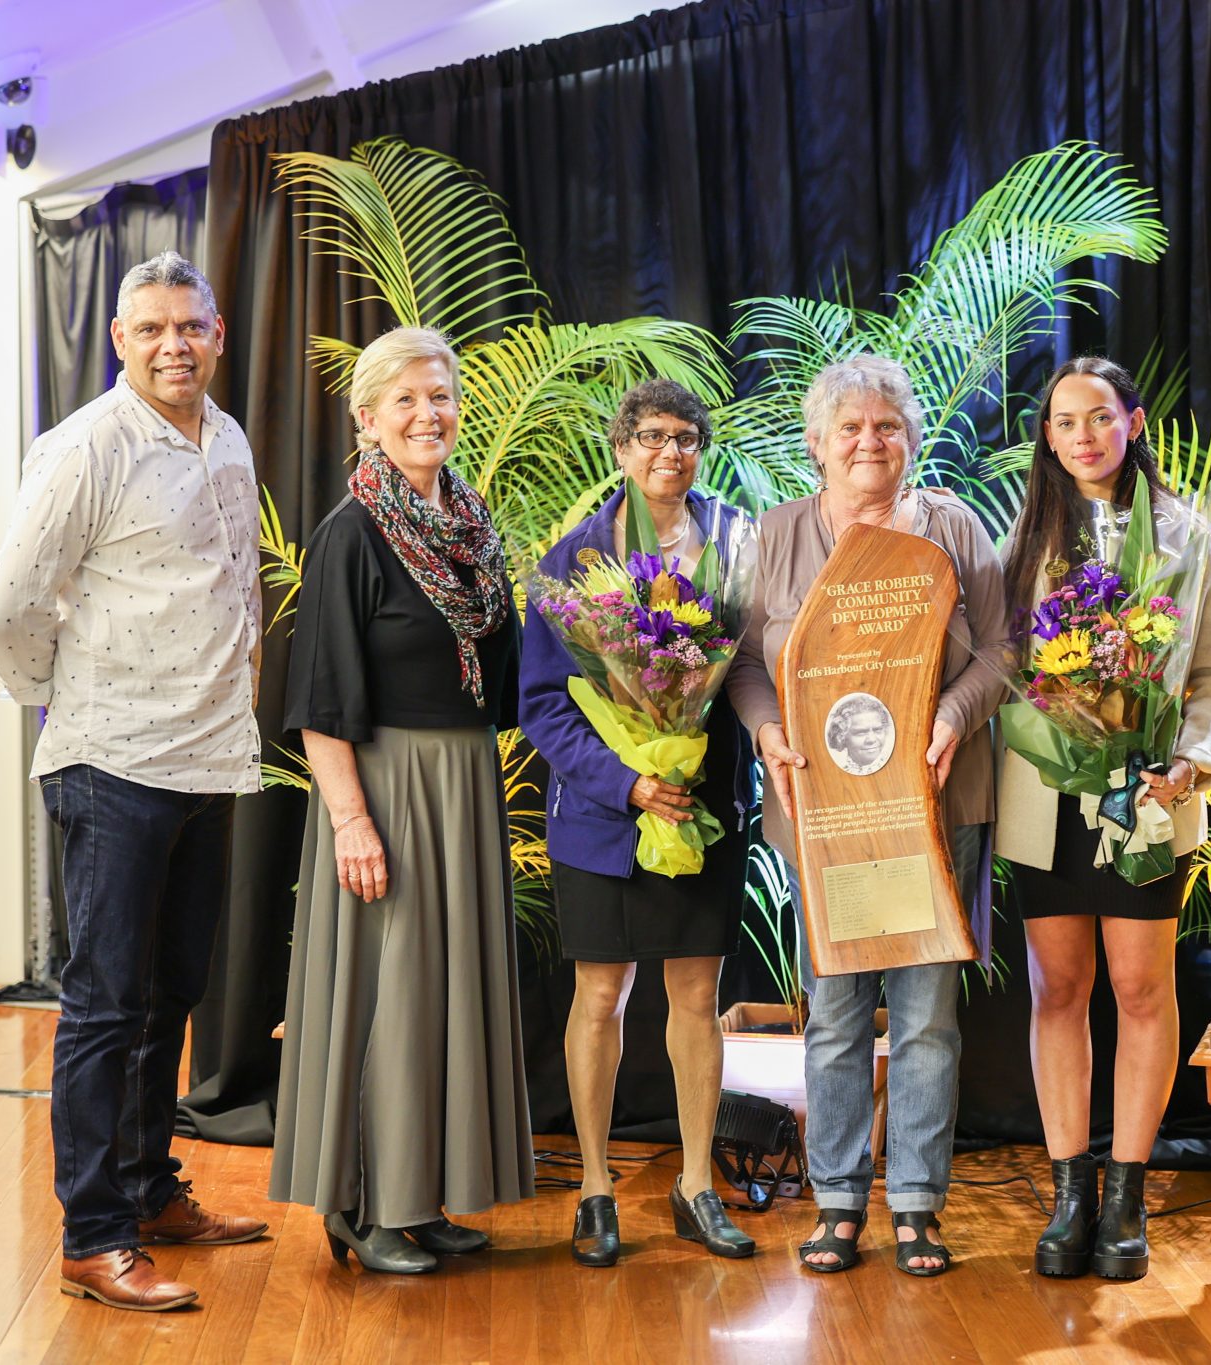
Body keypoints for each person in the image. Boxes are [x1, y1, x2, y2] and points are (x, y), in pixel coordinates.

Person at [0, 251, 268, 1312]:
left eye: (189, 327)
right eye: (150, 329)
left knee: (172, 993)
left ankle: (151, 1191)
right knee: (104, 1006)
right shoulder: (85, 447)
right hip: (110, 761)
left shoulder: (227, 439)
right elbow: (11, 602)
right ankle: (92, 1233)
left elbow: (235, 583)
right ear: (118, 338)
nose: (172, 345)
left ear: (217, 332)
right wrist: (61, 702)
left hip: (206, 757)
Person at [726, 354, 1010, 1276]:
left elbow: (1003, 651)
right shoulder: (776, 535)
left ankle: (919, 1204)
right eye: (849, 427)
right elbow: (737, 664)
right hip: (829, 816)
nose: (868, 441)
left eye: (886, 425)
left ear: (912, 439)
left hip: (932, 806)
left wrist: (953, 717)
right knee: (839, 1010)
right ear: (816, 445)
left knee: (926, 1017)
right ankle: (840, 1201)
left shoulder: (955, 528)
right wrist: (766, 730)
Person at [270, 326, 533, 1274]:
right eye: (407, 399)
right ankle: (368, 1205)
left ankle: (424, 1199)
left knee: (446, 994)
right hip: (385, 786)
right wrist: (351, 821)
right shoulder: (352, 531)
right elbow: (321, 699)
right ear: (368, 416)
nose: (429, 414)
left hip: (463, 785)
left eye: (442, 395)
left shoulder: (470, 524)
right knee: (393, 993)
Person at [994, 357, 1211, 1281]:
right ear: (1049, 438)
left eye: (1098, 417)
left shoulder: (1187, 535)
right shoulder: (1021, 537)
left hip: (1149, 794)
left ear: (1132, 423)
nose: (1083, 437)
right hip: (1046, 794)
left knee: (1141, 989)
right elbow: (998, 665)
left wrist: (1189, 758)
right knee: (1059, 988)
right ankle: (1071, 1193)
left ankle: (1130, 1194)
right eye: (1064, 423)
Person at [519, 378, 757, 1265]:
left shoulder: (739, 542)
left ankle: (697, 1181)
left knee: (698, 997)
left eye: (688, 436)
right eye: (652, 435)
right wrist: (627, 784)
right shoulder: (573, 560)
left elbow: (757, 666)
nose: (671, 451)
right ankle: (592, 1186)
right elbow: (545, 706)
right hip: (602, 820)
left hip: (702, 810)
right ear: (621, 448)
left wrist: (688, 772)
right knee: (600, 996)